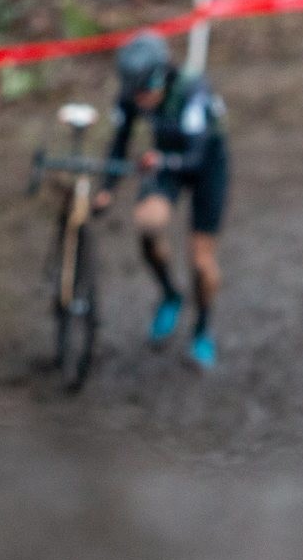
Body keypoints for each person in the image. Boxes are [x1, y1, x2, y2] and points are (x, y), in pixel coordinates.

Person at [94, 31, 230, 370]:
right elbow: (120, 140)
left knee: (201, 262)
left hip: (206, 167)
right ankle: (170, 293)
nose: (138, 100)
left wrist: (162, 162)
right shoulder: (133, 93)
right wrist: (106, 187)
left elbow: (197, 157)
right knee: (148, 223)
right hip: (165, 160)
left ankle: (202, 329)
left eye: (143, 92)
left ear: (159, 78)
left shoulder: (193, 91)